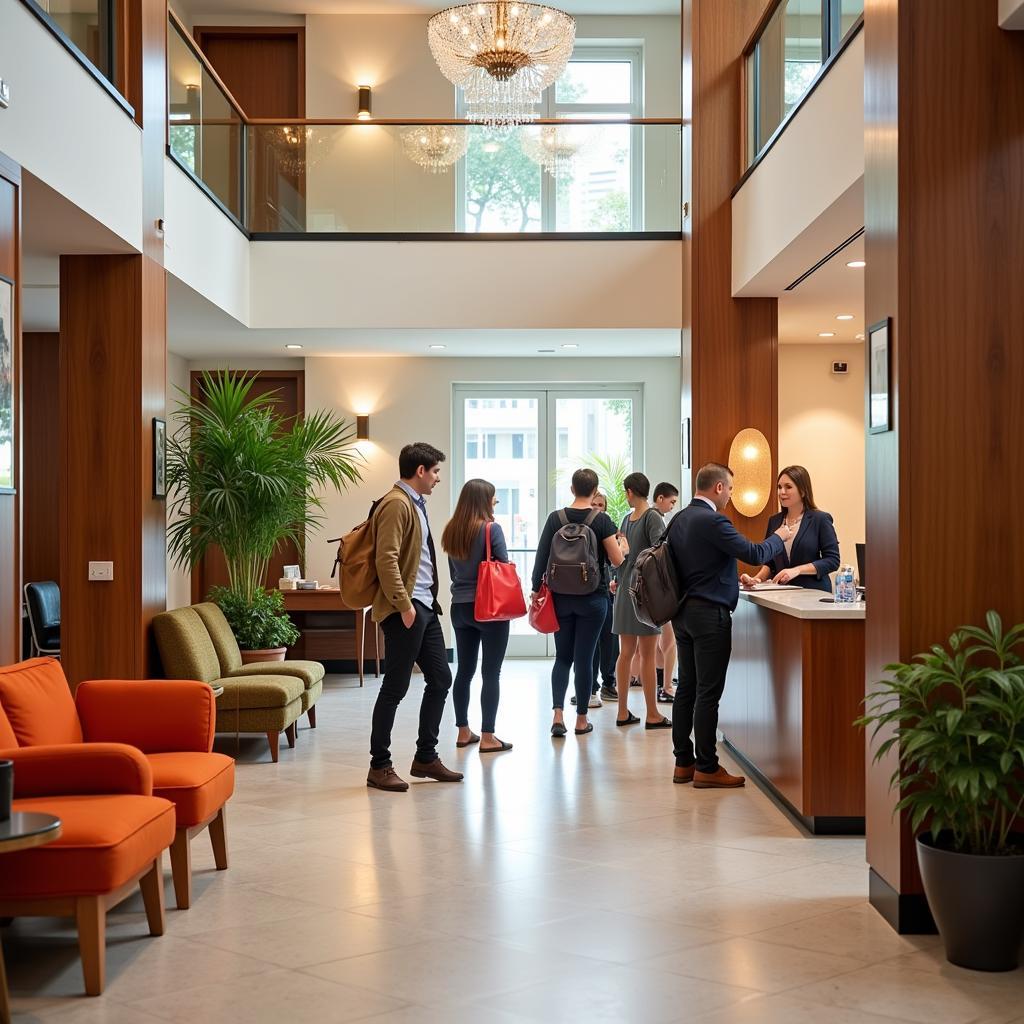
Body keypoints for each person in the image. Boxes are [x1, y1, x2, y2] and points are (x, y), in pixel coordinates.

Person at [668, 463, 791, 789]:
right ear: (719, 488)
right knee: (708, 693)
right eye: (731, 490)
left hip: (681, 615)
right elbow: (753, 552)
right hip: (709, 616)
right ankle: (707, 767)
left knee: (687, 689)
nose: (731, 497)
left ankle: (684, 762)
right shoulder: (712, 520)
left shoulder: (679, 518)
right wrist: (779, 537)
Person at [367, 442, 464, 792]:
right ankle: (379, 766)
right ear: (420, 471)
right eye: (435, 471)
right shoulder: (396, 503)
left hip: (424, 607)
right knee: (395, 687)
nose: (438, 478)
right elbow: (386, 558)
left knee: (440, 677)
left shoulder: (414, 503)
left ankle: (425, 757)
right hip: (405, 609)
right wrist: (404, 605)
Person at [531, 469, 625, 738]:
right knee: (584, 659)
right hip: (593, 599)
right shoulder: (602, 519)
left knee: (562, 657)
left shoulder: (555, 519)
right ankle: (582, 720)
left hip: (560, 598)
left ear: (572, 489)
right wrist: (623, 549)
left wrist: (535, 589)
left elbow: (541, 559)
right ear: (595, 491)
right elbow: (617, 560)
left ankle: (558, 715)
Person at [442, 478, 513, 754]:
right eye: (493, 498)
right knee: (491, 672)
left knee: (464, 671)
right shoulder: (491, 529)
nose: (495, 502)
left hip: (459, 607)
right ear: (484, 500)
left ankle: (462, 731)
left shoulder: (451, 530)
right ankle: (487, 736)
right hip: (489, 608)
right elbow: (503, 565)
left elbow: (453, 573)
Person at [612, 473, 671, 729]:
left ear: (629, 492)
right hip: (645, 595)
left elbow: (621, 557)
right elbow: (662, 552)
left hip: (626, 591)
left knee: (625, 653)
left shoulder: (627, 520)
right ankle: (652, 714)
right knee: (647, 655)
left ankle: (622, 712)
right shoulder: (652, 517)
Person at [740, 466, 841, 593]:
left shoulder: (820, 519)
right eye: (779, 487)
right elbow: (770, 563)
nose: (782, 492)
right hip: (783, 596)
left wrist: (797, 570)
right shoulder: (774, 521)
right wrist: (756, 580)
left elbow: (833, 560)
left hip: (813, 594)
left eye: (788, 487)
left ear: (803, 491)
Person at [571, 490, 618, 708]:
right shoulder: (575, 526)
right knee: (589, 645)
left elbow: (615, 559)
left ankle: (608, 682)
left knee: (608, 639)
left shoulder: (607, 526)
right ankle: (588, 688)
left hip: (605, 589)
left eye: (601, 504)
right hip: (587, 591)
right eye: (595, 503)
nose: (598, 507)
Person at [652, 482, 680, 703]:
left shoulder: (634, 518)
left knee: (660, 643)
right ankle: (667, 687)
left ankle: (662, 683)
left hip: (650, 591)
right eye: (671, 502)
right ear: (660, 498)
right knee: (669, 643)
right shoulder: (656, 521)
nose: (672, 507)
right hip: (661, 589)